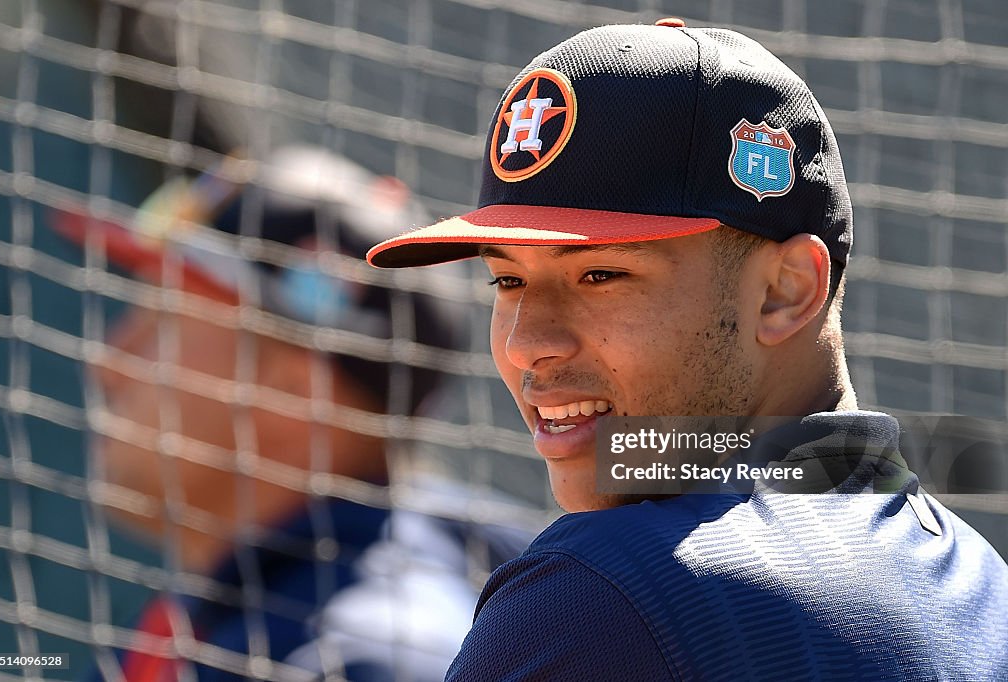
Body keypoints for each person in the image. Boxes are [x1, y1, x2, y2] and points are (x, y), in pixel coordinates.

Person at [365, 18, 1008, 680]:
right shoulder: (984, 581)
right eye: (507, 279)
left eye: (600, 275)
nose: (527, 345)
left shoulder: (600, 596)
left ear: (785, 291)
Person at [55, 146, 530, 681]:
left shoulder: (365, 657)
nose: (108, 363)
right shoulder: (223, 617)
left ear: (293, 392)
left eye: (161, 323)